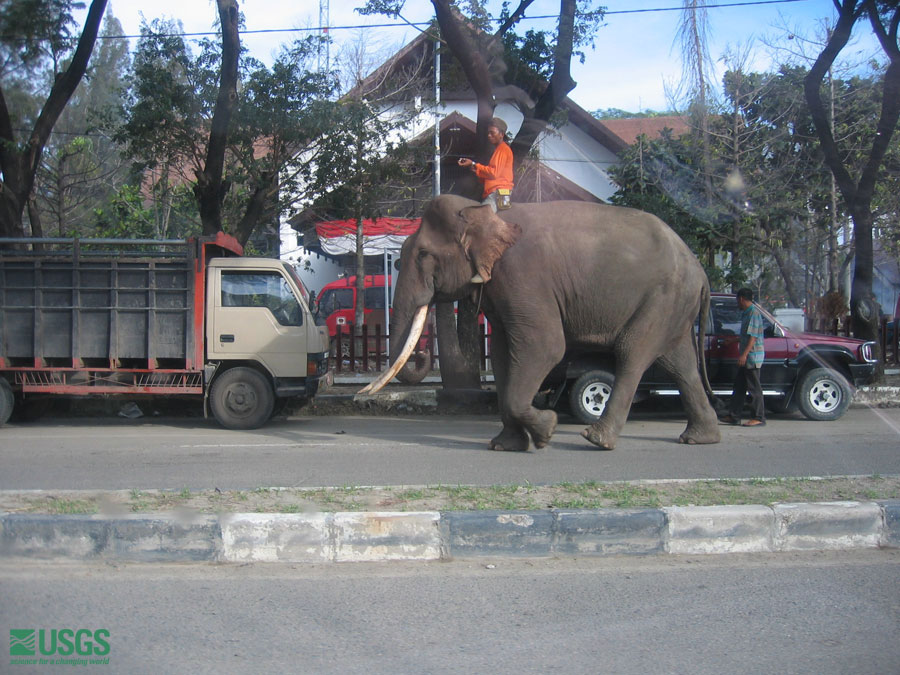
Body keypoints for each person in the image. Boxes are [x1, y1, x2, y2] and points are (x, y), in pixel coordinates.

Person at [721, 288, 766, 427]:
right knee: (739, 387)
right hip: (747, 357)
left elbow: (753, 337)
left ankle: (758, 417)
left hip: (751, 357)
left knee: (754, 388)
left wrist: (744, 355)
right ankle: (734, 416)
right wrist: (733, 341)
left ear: (741, 299)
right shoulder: (746, 313)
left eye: (737, 300)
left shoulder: (754, 313)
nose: (737, 304)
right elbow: (745, 336)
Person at [458, 117, 514, 212]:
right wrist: (475, 168)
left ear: (501, 134)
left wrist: (475, 164)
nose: (489, 135)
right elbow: (492, 175)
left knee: (481, 216)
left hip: (498, 192)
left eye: (492, 132)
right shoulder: (499, 150)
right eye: (488, 133)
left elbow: (494, 173)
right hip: (497, 191)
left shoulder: (503, 149)